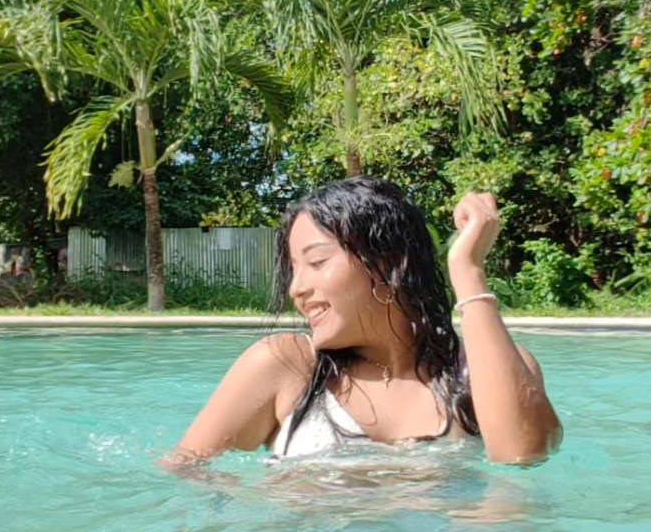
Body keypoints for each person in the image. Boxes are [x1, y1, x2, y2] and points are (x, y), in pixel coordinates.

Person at [169, 177, 562, 466]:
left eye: (317, 262)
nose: (296, 289)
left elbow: (521, 459)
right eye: (293, 269)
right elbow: (184, 474)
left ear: (388, 263)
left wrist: (467, 270)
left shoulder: (483, 371)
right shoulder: (285, 366)